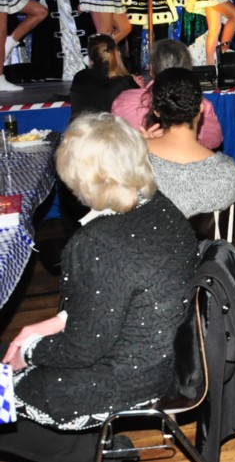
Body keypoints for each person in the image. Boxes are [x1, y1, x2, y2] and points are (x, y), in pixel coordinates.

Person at [0, 112, 198, 462]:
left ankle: (84, 451)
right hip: (169, 358)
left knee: (9, 381)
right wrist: (56, 321)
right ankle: (91, 448)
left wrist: (29, 352)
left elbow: (83, 350)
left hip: (127, 377)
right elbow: (122, 296)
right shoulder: (161, 207)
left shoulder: (95, 243)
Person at [145, 67, 235, 218]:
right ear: (201, 106)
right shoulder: (228, 173)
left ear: (157, 111)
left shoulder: (134, 165)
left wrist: (138, 148)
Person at [112, 39, 223, 149]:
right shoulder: (200, 105)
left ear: (151, 69)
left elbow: (116, 144)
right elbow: (214, 141)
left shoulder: (125, 101)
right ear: (188, 69)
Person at [68, 35, 139, 119]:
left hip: (79, 126)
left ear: (90, 58)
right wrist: (139, 89)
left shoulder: (79, 77)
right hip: (109, 127)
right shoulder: (125, 82)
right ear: (117, 54)